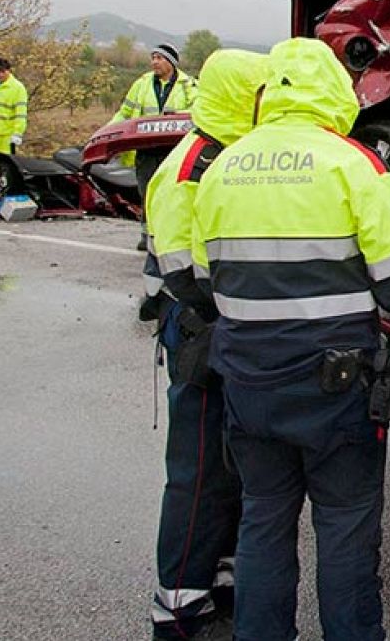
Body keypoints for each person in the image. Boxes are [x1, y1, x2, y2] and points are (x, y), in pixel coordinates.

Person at [191, 37, 390, 641]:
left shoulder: (221, 169)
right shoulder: (353, 165)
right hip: (335, 388)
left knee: (263, 523)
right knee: (345, 528)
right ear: (334, 91)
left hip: (247, 382)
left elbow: (200, 279)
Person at [143, 49, 268, 639]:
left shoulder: (225, 156)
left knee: (230, 464)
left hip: (222, 333)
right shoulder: (191, 165)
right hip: (201, 333)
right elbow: (183, 272)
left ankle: (218, 576)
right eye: (260, 95)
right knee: (197, 473)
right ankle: (178, 600)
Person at [111, 42, 197, 247]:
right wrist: (109, 134)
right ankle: (147, 235)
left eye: (159, 58)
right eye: (153, 58)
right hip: (147, 150)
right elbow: (124, 113)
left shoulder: (189, 85)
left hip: (175, 150)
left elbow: (198, 112)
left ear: (171, 62)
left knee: (173, 193)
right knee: (148, 193)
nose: (154, 62)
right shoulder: (141, 85)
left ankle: (171, 236)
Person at [0, 58, 28, 155]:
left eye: (3, 71)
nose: (0, 75)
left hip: (7, 135)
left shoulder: (18, 88)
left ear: (9, 70)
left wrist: (18, 133)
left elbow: (20, 114)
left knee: (5, 165)